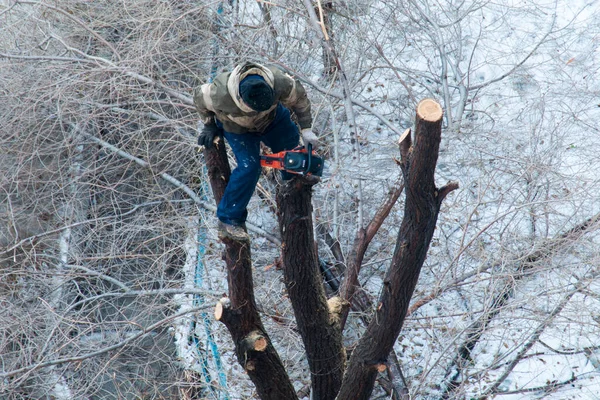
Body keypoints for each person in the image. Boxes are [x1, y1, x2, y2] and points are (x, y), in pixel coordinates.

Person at [194, 61, 319, 241]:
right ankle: (229, 220)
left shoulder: (280, 82)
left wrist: (306, 128)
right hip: (237, 127)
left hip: (272, 119)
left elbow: (300, 99)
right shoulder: (219, 94)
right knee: (249, 167)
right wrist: (209, 125)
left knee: (291, 150)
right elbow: (198, 97)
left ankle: (293, 182)